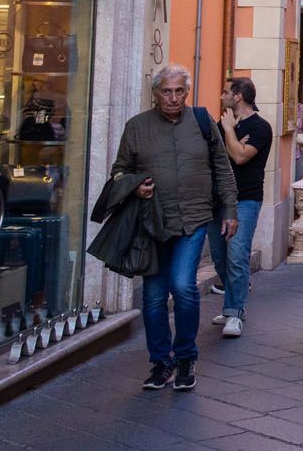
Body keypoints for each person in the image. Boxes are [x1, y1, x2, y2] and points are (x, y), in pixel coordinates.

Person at [111, 63, 238, 392]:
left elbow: (222, 167)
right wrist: (135, 186)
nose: (173, 98)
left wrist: (229, 209)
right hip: (151, 224)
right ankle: (160, 362)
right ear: (155, 94)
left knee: (183, 286)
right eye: (166, 91)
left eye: (179, 91)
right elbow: (119, 172)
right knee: (153, 297)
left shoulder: (201, 121)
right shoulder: (137, 127)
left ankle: (185, 357)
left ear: (187, 92)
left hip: (194, 219)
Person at [207, 77, 272, 339]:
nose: (221, 96)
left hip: (245, 199)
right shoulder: (221, 124)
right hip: (216, 200)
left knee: (237, 255)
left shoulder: (260, 127)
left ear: (238, 97)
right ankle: (231, 304)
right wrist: (229, 132)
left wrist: (229, 132)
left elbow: (239, 156)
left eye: (225, 92)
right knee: (220, 257)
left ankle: (235, 311)